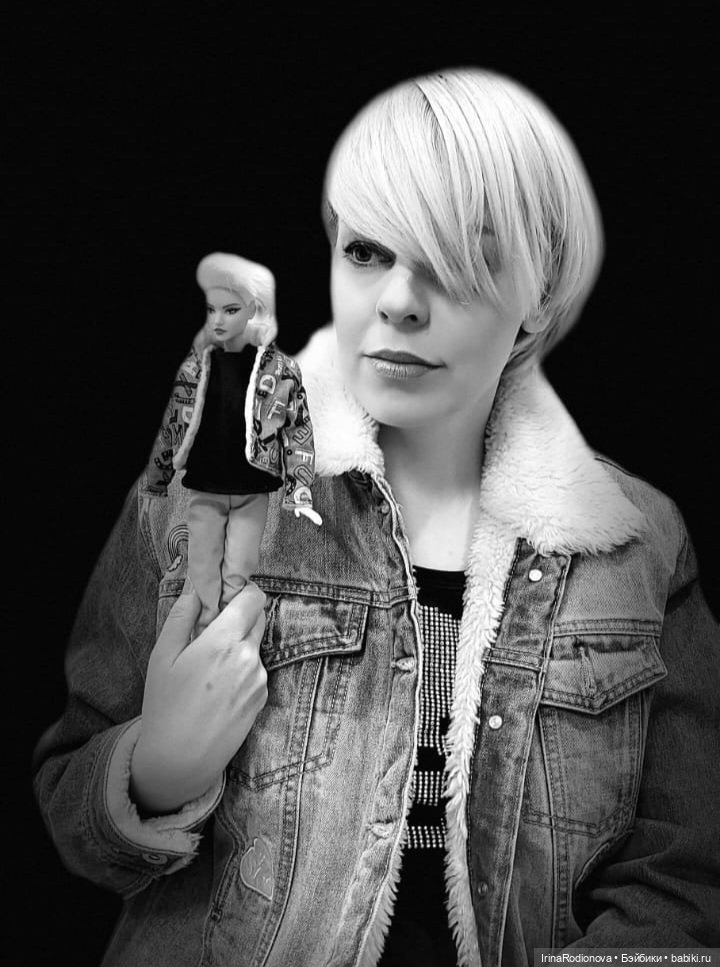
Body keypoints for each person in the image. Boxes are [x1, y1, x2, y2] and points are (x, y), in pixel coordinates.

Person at [33, 68, 719, 967]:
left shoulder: (636, 542)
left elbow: (686, 881)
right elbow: (69, 803)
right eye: (366, 251)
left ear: (539, 297)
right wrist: (154, 769)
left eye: (457, 258)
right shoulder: (207, 491)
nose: (398, 299)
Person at [145, 252, 322, 634]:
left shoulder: (280, 369)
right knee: (201, 570)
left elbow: (298, 428)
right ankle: (205, 637)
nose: (218, 320)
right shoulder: (195, 366)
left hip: (251, 487)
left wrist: (300, 488)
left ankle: (225, 637)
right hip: (205, 485)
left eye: (230, 310)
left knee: (238, 570)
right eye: (212, 310)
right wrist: (157, 479)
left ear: (253, 310)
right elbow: (173, 424)